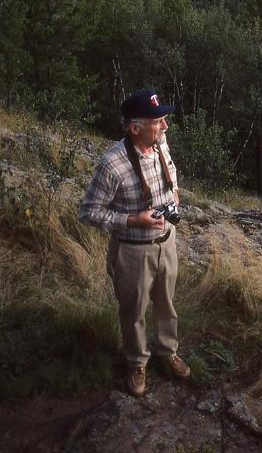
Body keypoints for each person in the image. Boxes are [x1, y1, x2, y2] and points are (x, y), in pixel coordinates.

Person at [79, 88, 190, 396]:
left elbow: (170, 170)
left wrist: (174, 192)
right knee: (133, 311)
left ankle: (168, 351)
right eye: (158, 121)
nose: (165, 126)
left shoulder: (160, 141)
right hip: (132, 251)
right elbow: (89, 212)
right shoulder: (112, 164)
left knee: (167, 304)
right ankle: (137, 362)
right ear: (135, 128)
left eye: (164, 118)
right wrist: (133, 220)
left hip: (167, 242)